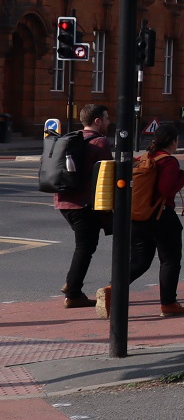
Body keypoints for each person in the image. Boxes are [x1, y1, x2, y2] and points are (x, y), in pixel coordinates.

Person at [126, 124, 184, 317]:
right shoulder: (168, 162)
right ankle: (168, 303)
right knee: (170, 260)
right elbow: (166, 189)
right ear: (173, 141)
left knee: (139, 261)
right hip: (161, 216)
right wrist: (182, 177)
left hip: (138, 216)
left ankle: (112, 288)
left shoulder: (145, 157)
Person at [54, 104, 113, 309]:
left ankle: (72, 286)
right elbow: (108, 174)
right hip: (84, 203)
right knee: (85, 247)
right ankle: (73, 291)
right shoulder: (100, 142)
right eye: (106, 118)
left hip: (63, 200)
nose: (108, 122)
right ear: (97, 121)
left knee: (85, 245)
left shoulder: (71, 138)